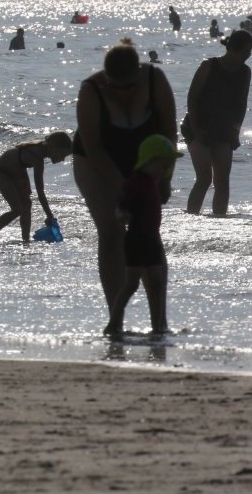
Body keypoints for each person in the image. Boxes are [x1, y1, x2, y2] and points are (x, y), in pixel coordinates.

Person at [72, 40, 177, 310]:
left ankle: (159, 318)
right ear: (106, 79)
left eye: (129, 87)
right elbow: (94, 148)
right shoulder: (92, 90)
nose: (123, 93)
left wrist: (165, 179)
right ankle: (115, 314)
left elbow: (168, 133)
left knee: (148, 232)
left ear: (139, 73)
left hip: (143, 158)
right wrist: (123, 188)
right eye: (115, 88)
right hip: (97, 161)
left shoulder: (155, 79)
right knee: (111, 231)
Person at [104, 134, 182, 337]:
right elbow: (123, 204)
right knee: (131, 284)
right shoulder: (136, 182)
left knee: (156, 282)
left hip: (151, 240)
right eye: (163, 166)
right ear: (150, 161)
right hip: (136, 241)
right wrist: (122, 214)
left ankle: (158, 327)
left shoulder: (151, 183)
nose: (165, 171)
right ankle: (113, 322)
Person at [183, 30, 252, 216]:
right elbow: (192, 97)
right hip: (197, 126)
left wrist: (235, 131)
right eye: (246, 52)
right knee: (204, 178)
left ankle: (220, 221)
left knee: (222, 181)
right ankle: (191, 219)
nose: (247, 56)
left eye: (250, 53)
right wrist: (197, 129)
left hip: (224, 129)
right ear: (233, 49)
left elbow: (242, 104)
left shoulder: (245, 72)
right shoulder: (209, 66)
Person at [0, 132, 73, 244]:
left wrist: (49, 215)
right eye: (63, 155)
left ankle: (26, 239)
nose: (63, 159)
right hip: (1, 172)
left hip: (16, 170)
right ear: (53, 147)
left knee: (27, 204)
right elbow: (40, 192)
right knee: (17, 209)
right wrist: (49, 215)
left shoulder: (40, 151)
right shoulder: (37, 158)